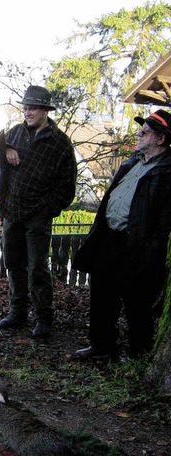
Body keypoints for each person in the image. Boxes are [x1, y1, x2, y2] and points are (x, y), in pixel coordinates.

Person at [70, 109, 171, 361]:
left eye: (145, 131)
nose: (139, 133)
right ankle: (101, 347)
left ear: (160, 139)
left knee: (137, 302)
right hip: (111, 240)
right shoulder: (132, 162)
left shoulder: (167, 171)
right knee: (101, 295)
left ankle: (140, 355)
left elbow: (164, 218)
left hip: (138, 244)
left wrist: (151, 248)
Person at [0, 85, 76, 339]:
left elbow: (66, 187)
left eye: (33, 107)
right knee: (13, 264)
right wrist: (5, 150)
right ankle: (17, 312)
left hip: (37, 216)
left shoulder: (60, 143)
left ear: (45, 111)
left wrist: (46, 211)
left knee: (38, 267)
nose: (27, 111)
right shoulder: (15, 133)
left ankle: (43, 318)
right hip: (12, 211)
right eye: (25, 107)